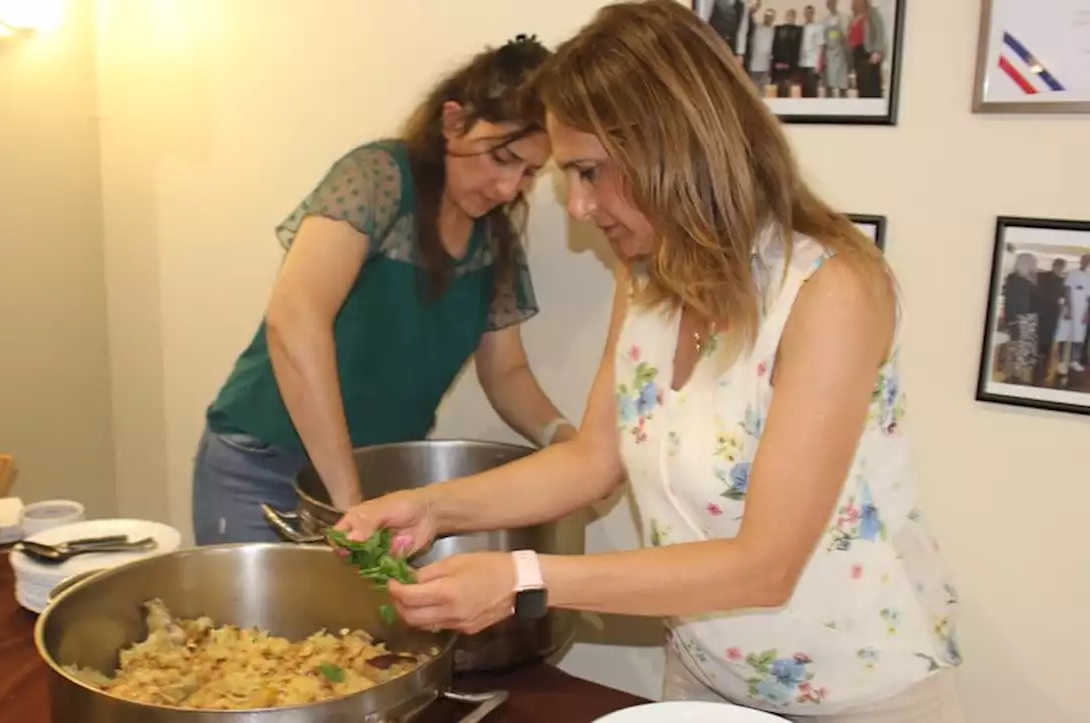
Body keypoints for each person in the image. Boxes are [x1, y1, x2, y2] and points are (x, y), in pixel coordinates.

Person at [336, 3, 964, 721]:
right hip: (704, 672)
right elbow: (592, 459)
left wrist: (521, 578)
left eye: (589, 171)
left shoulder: (831, 290)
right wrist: (434, 505)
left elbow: (765, 564)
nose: (576, 205)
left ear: (677, 143)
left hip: (861, 693)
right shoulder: (647, 279)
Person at [192, 35, 575, 545]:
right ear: (453, 122)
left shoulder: (492, 238)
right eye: (501, 157)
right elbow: (296, 317)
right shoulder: (377, 180)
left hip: (373, 480)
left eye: (529, 172)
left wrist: (566, 441)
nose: (509, 189)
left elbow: (506, 370)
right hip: (262, 466)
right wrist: (347, 499)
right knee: (242, 627)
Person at [1000, 253, 1038, 384]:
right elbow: (1035, 300)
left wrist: (1007, 318)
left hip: (1013, 316)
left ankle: (1010, 373)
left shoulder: (1010, 278)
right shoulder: (1028, 281)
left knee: (1013, 345)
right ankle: (1021, 376)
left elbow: (1008, 300)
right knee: (1024, 348)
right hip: (1025, 317)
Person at [849, 0, 887, 99]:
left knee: (871, 85)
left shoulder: (872, 13)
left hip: (869, 52)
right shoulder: (854, 17)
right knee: (861, 84)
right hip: (857, 53)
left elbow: (879, 32)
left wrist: (878, 51)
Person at [821, 0, 852, 98]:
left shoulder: (844, 18)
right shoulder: (824, 21)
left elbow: (847, 35)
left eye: (833, 2)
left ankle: (844, 103)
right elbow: (823, 38)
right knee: (829, 81)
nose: (831, 5)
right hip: (829, 54)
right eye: (829, 3)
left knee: (842, 81)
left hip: (840, 52)